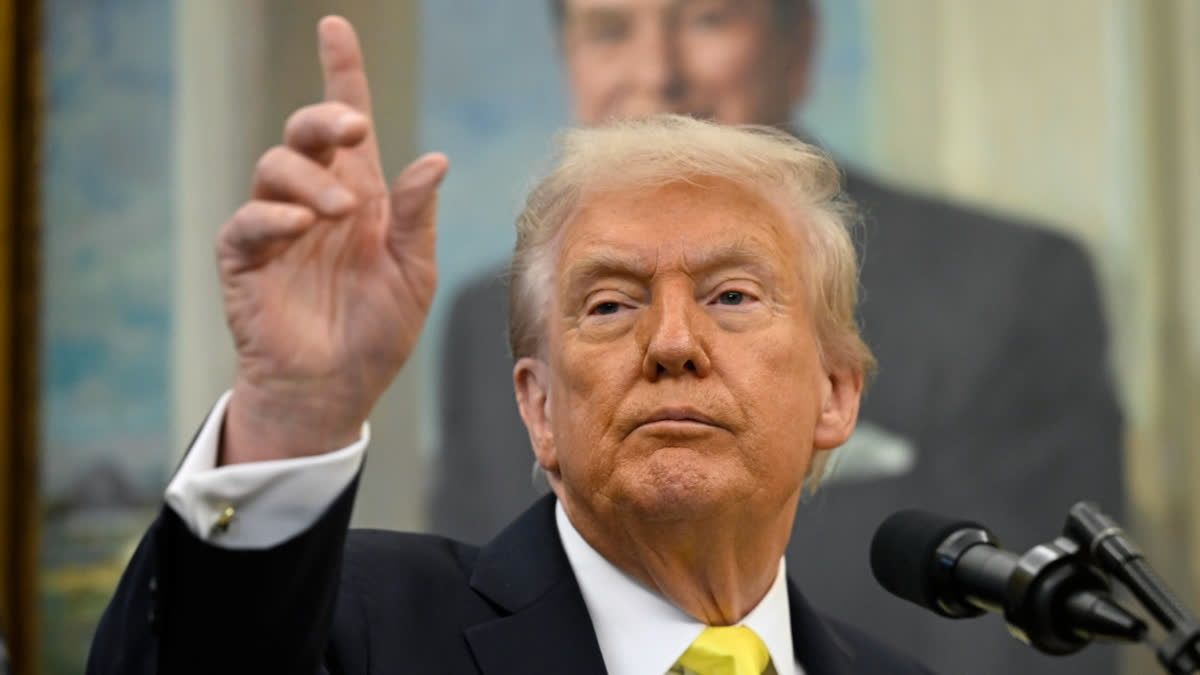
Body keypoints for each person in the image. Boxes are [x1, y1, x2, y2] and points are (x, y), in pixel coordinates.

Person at [87, 17, 931, 674]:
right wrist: (289, 414)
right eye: (608, 305)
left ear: (836, 393)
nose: (673, 342)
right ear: (538, 405)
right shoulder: (359, 625)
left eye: (732, 296)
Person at [431, 1, 1125, 673]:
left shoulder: (1005, 282)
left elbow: (1047, 641)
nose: (657, 73)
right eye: (609, 30)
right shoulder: (482, 321)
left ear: (798, 45)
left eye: (708, 19)